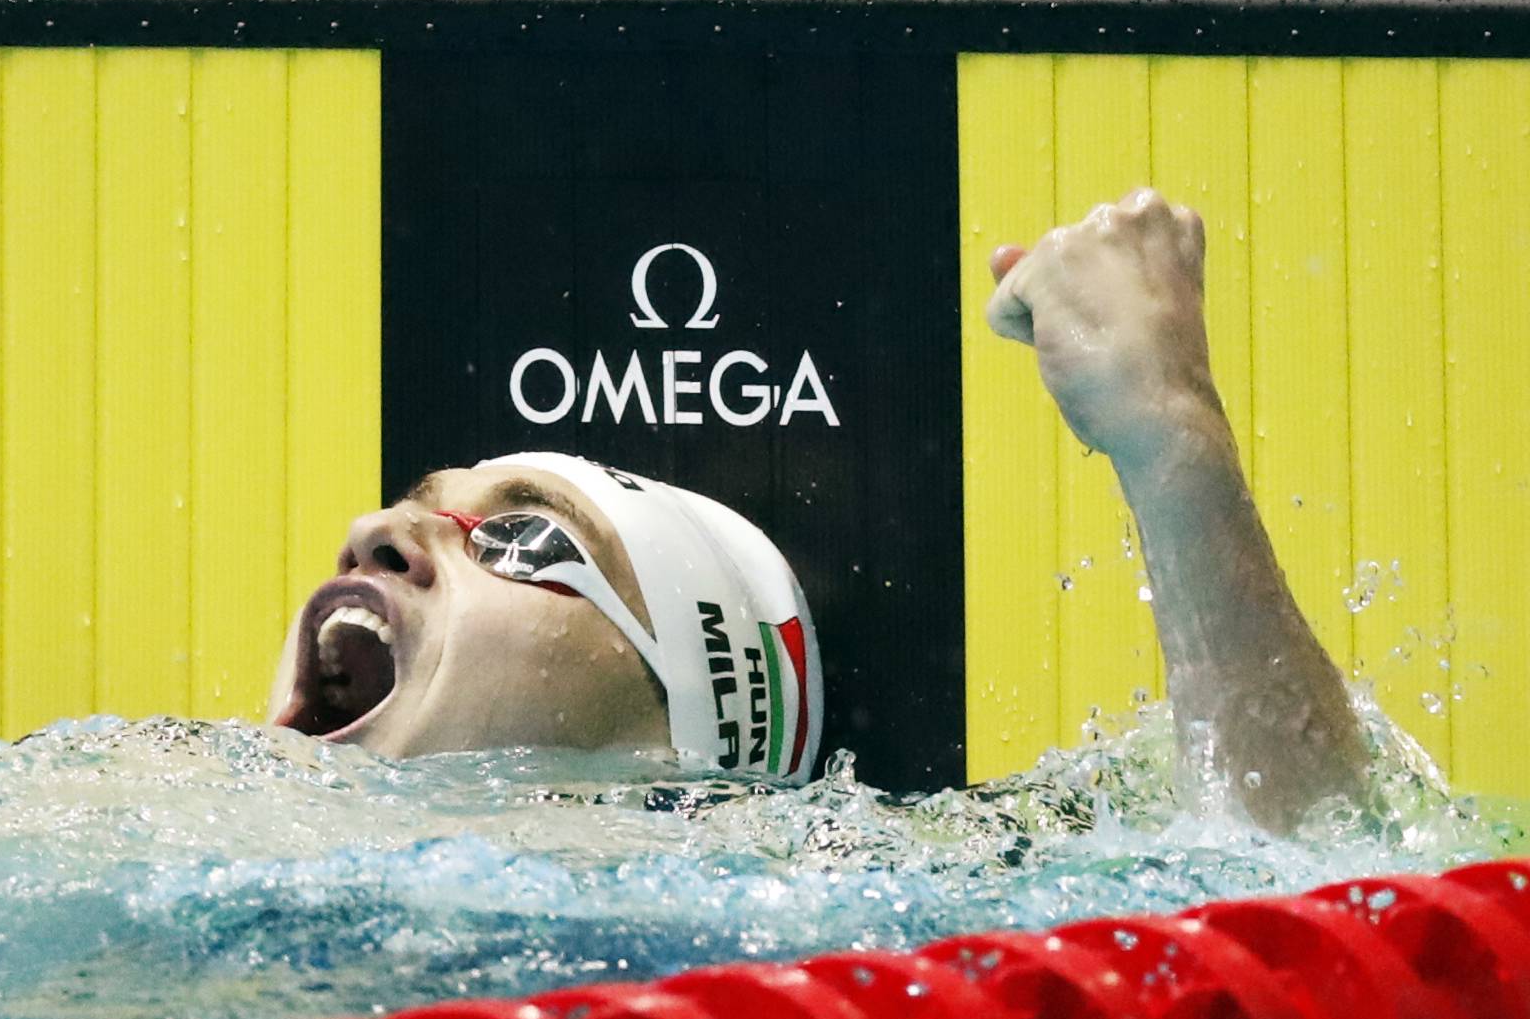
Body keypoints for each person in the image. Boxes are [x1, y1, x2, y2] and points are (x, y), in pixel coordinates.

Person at [269, 189, 1370, 835]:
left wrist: (1174, 445)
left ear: (679, 739)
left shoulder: (834, 913)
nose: (377, 532)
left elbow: (1316, 897)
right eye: (421, 510)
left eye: (522, 536)